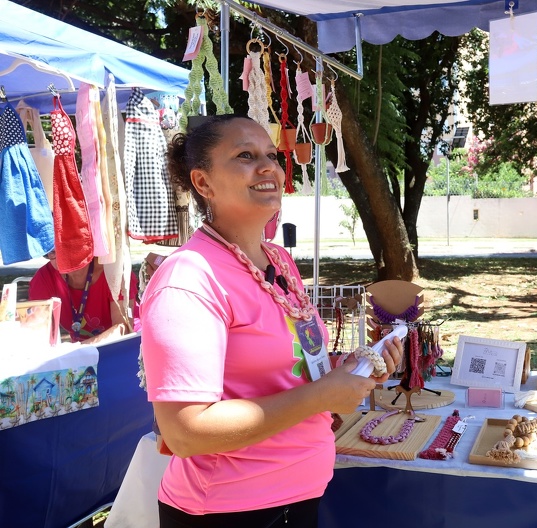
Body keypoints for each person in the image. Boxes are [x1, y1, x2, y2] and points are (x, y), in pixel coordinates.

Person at [140, 115, 403, 527]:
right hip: (229, 511)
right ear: (203, 183)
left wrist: (352, 370)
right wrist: (323, 396)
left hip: (296, 496)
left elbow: (287, 374)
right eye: (245, 156)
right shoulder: (189, 279)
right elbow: (185, 433)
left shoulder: (278, 261)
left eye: (272, 155)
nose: (269, 168)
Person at [28, 249, 139, 344]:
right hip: (83, 355)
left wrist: (79, 349)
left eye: (66, 247)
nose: (60, 256)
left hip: (129, 345)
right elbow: (38, 333)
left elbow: (123, 329)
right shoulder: (43, 278)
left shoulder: (113, 272)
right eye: (52, 251)